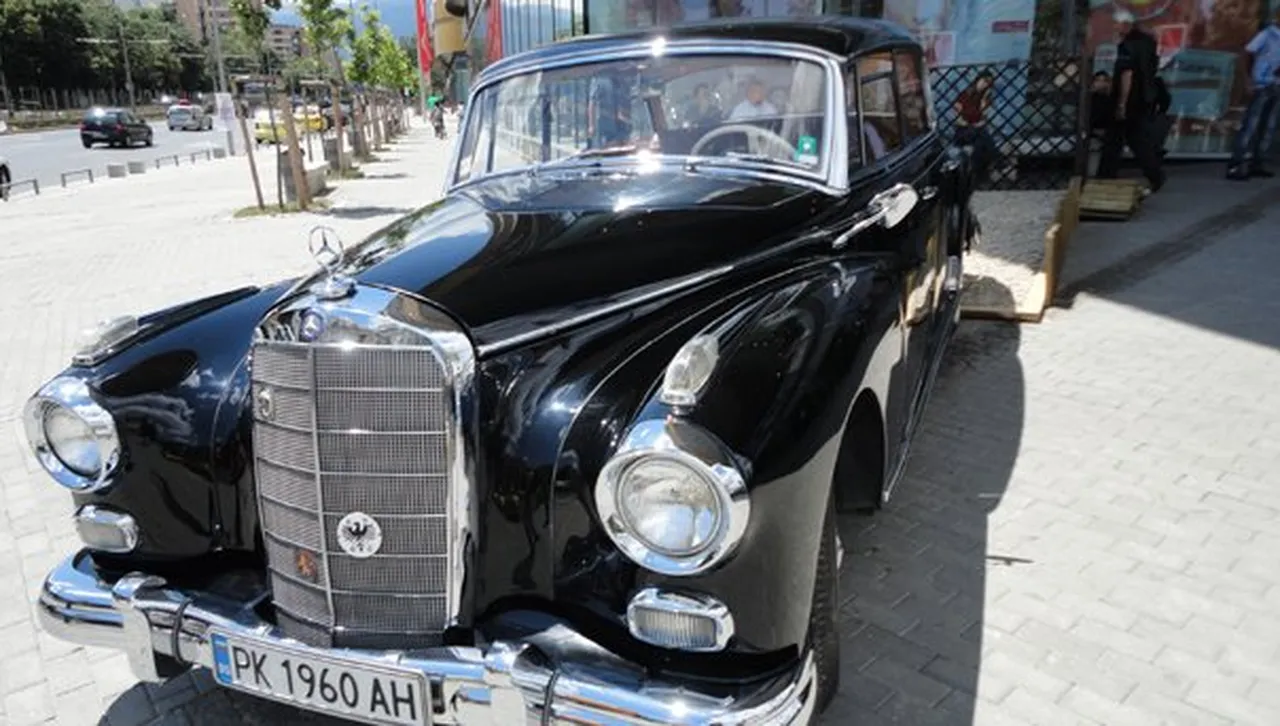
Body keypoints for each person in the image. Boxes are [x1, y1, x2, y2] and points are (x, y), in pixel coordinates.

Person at [1097, 10, 1166, 191]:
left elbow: (1127, 74)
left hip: (1130, 100)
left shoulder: (1127, 46)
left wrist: (1121, 103)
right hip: (1143, 98)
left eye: (1116, 24)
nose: (1114, 27)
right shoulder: (1147, 43)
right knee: (1133, 139)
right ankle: (1154, 174)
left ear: (1125, 25)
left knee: (1117, 139)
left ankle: (1105, 176)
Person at [1226, 8, 1280, 180]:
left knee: (1269, 125)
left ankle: (1258, 161)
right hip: (1261, 84)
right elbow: (1247, 53)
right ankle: (1237, 163)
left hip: (1277, 84)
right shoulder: (1268, 34)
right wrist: (1248, 80)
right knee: (1251, 124)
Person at [953, 71, 998, 180]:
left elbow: (983, 120)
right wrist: (971, 125)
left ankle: (977, 176)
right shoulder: (964, 95)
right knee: (981, 134)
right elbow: (957, 119)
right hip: (963, 132)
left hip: (976, 133)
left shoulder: (985, 99)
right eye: (984, 80)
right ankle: (998, 160)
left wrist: (983, 100)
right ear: (978, 79)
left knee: (979, 144)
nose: (985, 84)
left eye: (988, 83)